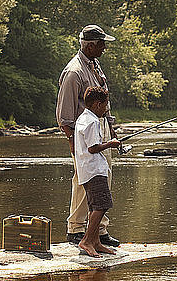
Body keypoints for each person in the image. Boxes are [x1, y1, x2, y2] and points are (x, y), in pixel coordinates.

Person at [56, 24, 120, 247]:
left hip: (100, 128)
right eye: (101, 44)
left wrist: (111, 129)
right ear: (91, 45)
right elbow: (64, 114)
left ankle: (99, 231)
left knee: (104, 178)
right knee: (83, 181)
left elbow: (104, 102)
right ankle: (76, 229)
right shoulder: (74, 72)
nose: (104, 48)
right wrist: (73, 142)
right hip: (83, 133)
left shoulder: (94, 65)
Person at [74, 86, 121, 257]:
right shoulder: (92, 121)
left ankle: (96, 242)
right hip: (94, 170)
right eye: (104, 105)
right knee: (102, 205)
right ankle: (86, 241)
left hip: (86, 170)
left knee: (94, 206)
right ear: (96, 104)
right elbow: (93, 148)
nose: (106, 109)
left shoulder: (83, 118)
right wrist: (111, 143)